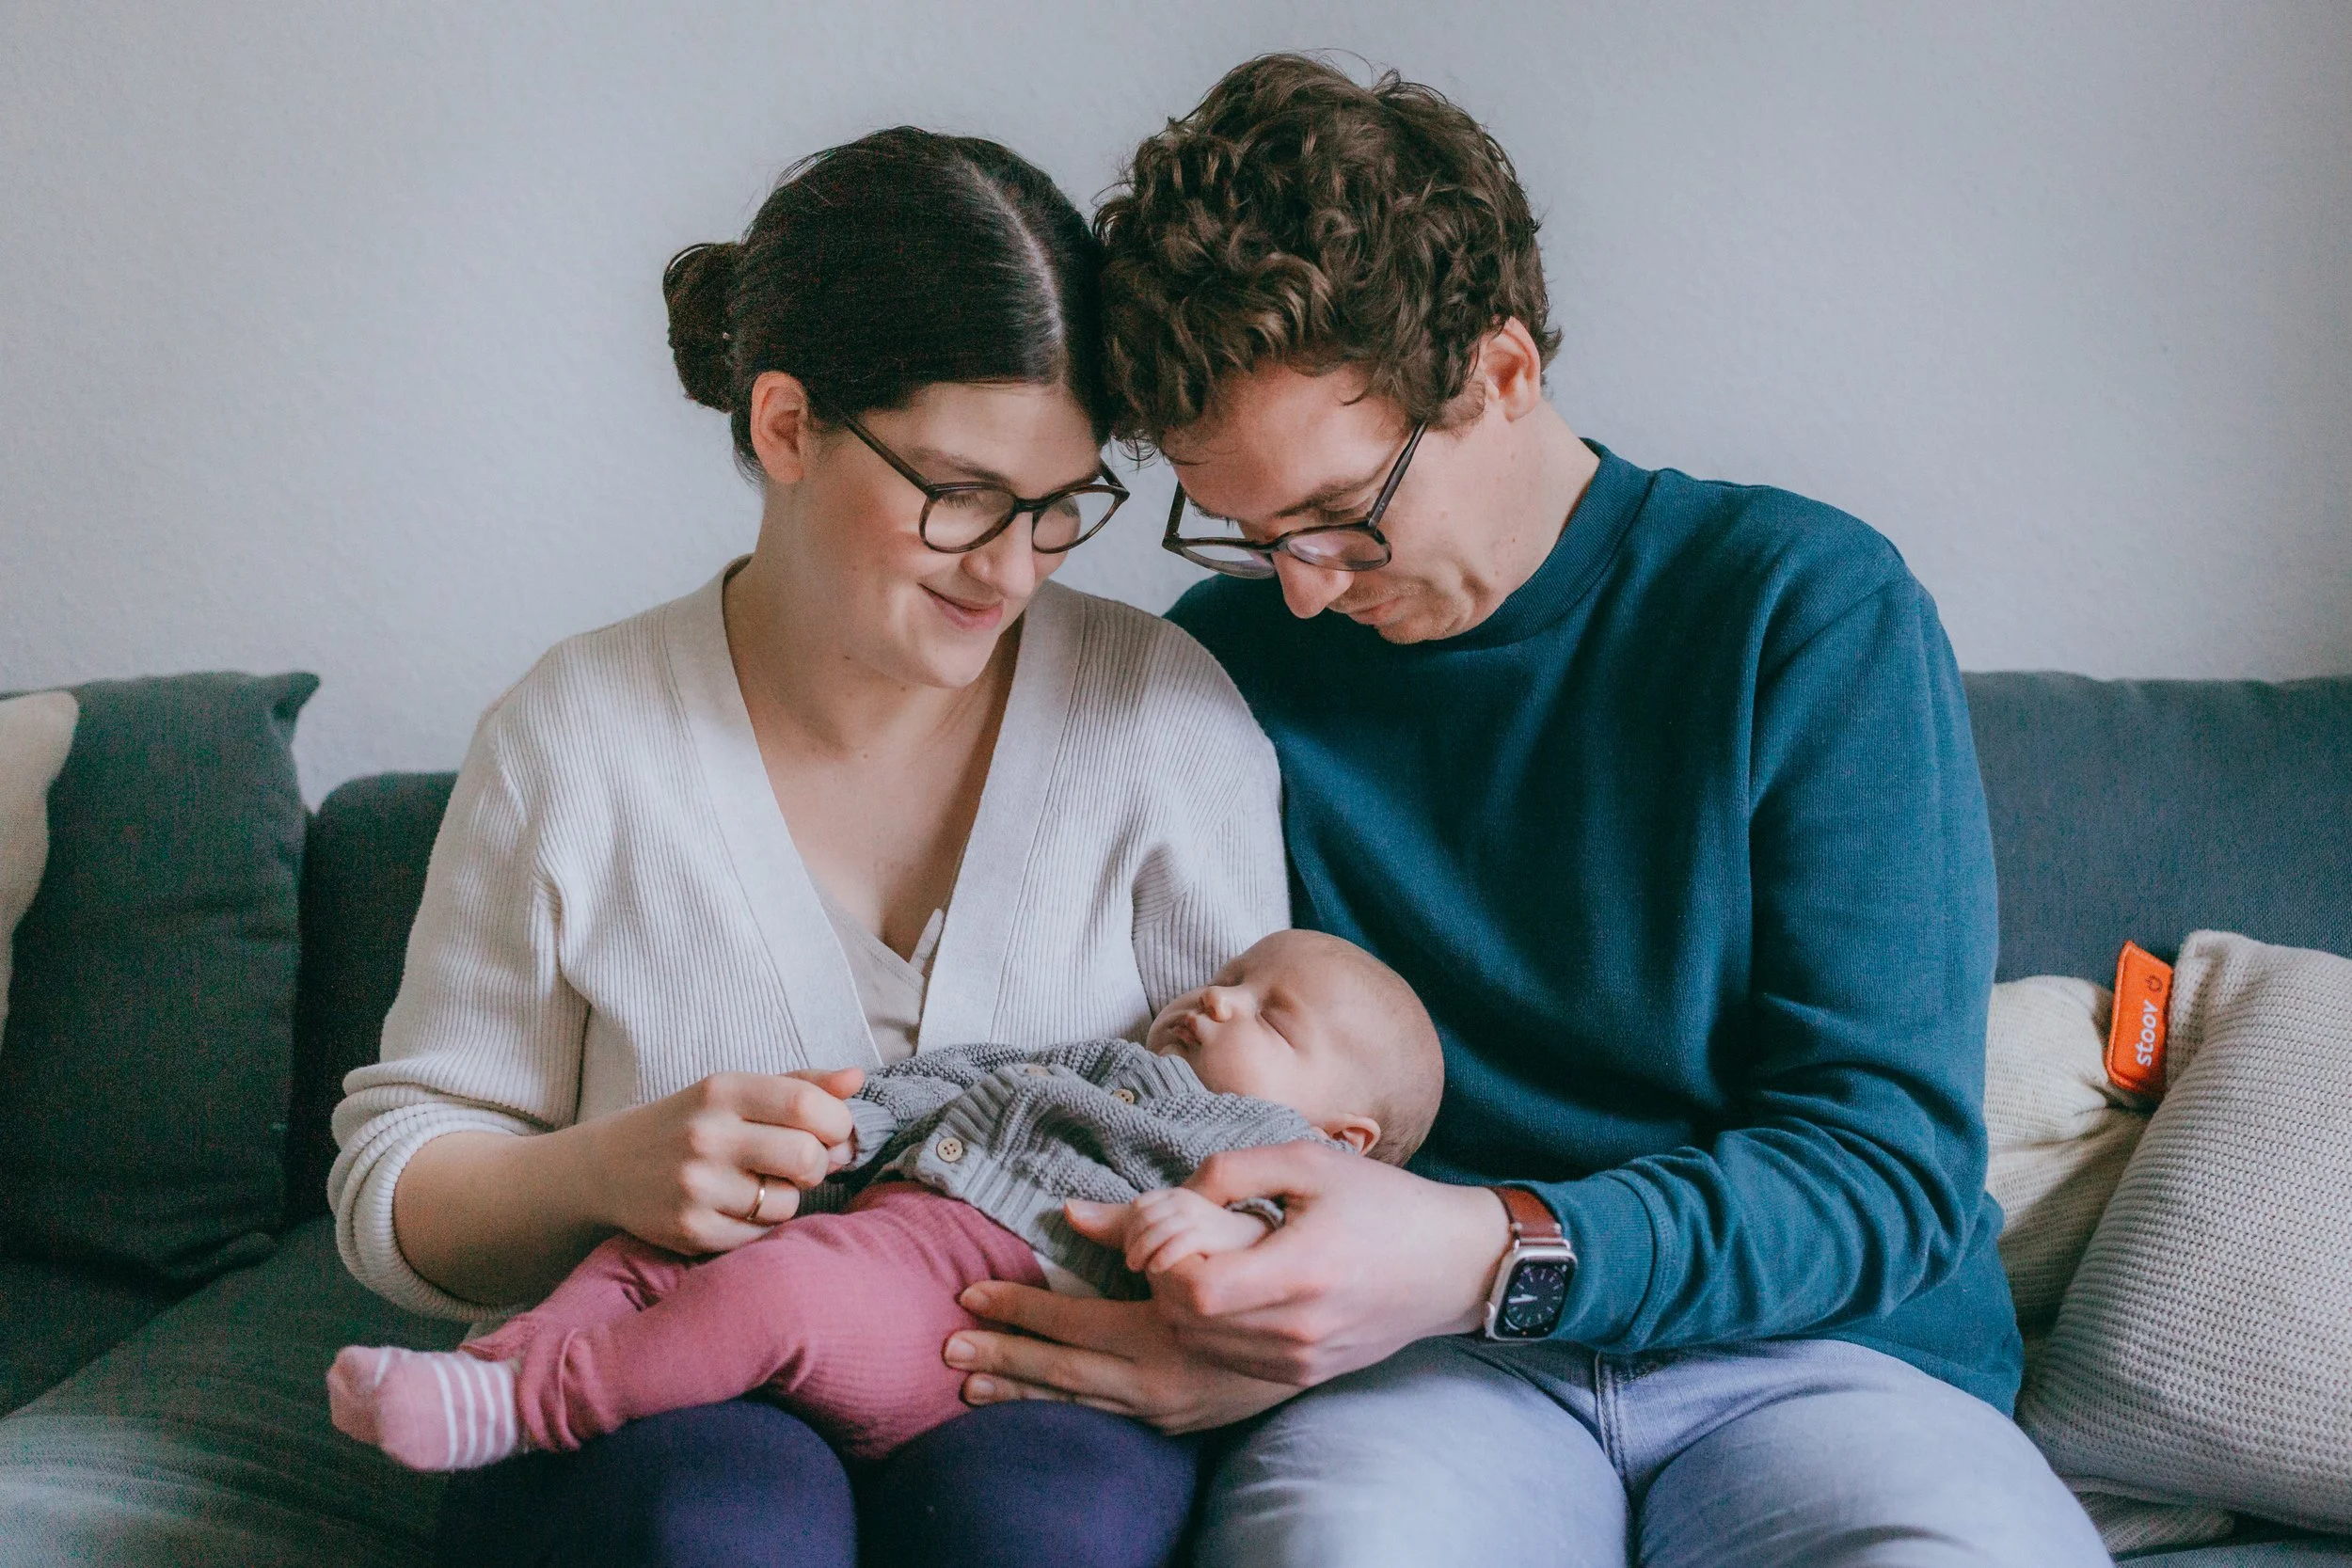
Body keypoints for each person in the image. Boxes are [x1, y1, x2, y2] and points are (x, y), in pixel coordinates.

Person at [938, 56, 2113, 1567]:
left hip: (1827, 1359)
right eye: (1245, 532)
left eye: (1339, 518)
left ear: (1501, 373)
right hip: (1423, 1377)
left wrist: (1484, 1248)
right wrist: (1220, 1317)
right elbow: (1134, 1075)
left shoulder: (1804, 608)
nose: (1302, 590)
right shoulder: (1219, 665)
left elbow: (1881, 1170)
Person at [327, 126, 1288, 1568]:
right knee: (724, 1520)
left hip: (1027, 1390)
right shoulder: (578, 733)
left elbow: (1268, 1131)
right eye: (962, 492)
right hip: (661, 1405)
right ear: (786, 425)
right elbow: (394, 1188)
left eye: (1060, 508)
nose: (1011, 567)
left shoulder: (1158, 718)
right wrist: (602, 1170)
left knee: (1044, 1526)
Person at [327, 930, 1442, 1474]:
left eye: (1271, 1014)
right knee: (653, 1244)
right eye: (1228, 976)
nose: (1218, 1000)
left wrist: (1213, 1231)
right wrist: (843, 1125)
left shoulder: (1268, 1152)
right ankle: (497, 1362)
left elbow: (1285, 1267)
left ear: (1343, 1136)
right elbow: (944, 1079)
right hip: (864, 1226)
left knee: (776, 1290)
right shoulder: (1093, 1059)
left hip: (955, 1315)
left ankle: (533, 1407)